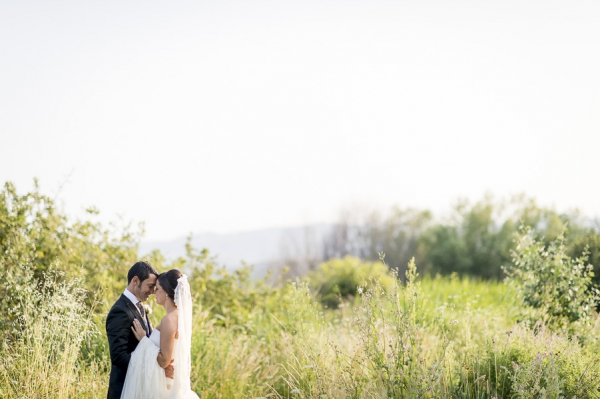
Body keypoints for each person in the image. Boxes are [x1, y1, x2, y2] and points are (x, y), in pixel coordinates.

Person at [120, 269, 200, 399]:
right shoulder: (177, 317)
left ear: (167, 293)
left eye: (157, 288)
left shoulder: (169, 319)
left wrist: (144, 340)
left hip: (164, 387)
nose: (154, 292)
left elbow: (164, 361)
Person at [106, 261, 174, 399]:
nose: (153, 291)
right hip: (124, 388)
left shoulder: (139, 306)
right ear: (135, 281)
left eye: (155, 288)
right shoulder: (120, 311)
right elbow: (119, 356)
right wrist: (155, 369)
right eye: (150, 286)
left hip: (140, 389)